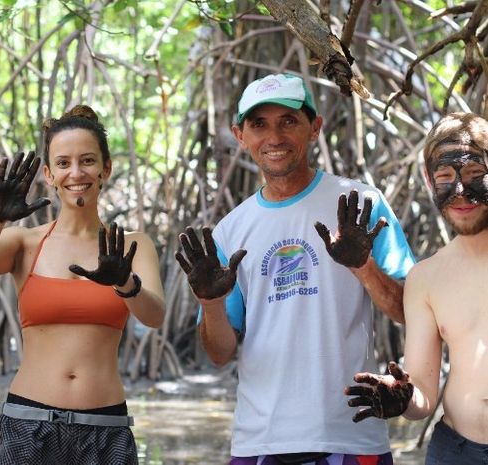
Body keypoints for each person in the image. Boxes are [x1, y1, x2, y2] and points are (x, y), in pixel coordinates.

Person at [174, 73, 416, 465]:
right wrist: (210, 301)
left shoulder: (359, 204)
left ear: (314, 127)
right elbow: (219, 353)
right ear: (240, 134)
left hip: (351, 433)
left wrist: (363, 266)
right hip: (261, 440)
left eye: (288, 120)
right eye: (259, 124)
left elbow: (409, 310)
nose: (274, 137)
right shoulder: (230, 230)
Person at [0, 104, 166, 464]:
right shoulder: (24, 242)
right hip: (28, 422)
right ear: (48, 173)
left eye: (88, 161)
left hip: (105, 426)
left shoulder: (133, 244)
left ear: (106, 168)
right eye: (63, 163)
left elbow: (154, 315)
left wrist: (124, 281)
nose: (76, 172)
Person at [345, 112, 488, 464]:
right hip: (457, 452)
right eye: (444, 177)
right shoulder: (427, 278)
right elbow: (423, 394)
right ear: (428, 179)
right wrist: (402, 398)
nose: (460, 192)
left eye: (475, 176)